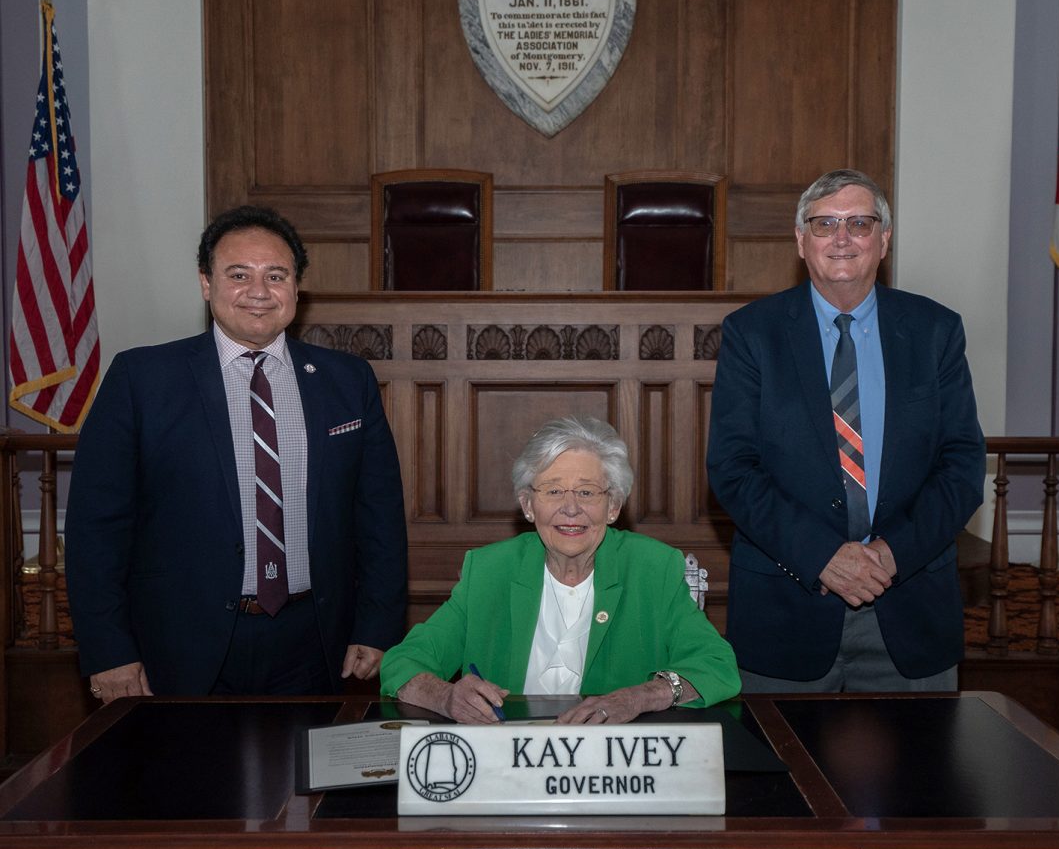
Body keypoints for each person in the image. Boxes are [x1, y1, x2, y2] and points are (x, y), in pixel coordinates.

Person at [67, 205, 408, 701]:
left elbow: (379, 516)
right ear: (206, 284)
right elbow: (95, 528)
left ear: (297, 286)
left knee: (306, 780)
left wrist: (377, 624)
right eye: (238, 275)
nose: (258, 291)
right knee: (184, 779)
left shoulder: (346, 381)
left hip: (314, 643)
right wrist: (108, 650)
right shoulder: (141, 380)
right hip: (177, 645)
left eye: (276, 275)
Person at [706, 169, 986, 692]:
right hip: (787, 611)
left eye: (859, 223)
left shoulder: (935, 331)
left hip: (910, 610)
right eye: (824, 224)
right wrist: (824, 558)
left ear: (883, 240)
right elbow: (733, 469)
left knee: (923, 774)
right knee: (780, 773)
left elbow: (962, 466)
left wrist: (890, 554)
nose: (841, 238)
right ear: (800, 240)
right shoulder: (752, 333)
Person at [380, 416, 740, 723]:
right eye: (553, 492)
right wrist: (447, 697)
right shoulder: (490, 570)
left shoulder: (653, 568)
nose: (570, 509)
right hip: (509, 764)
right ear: (528, 505)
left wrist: (638, 698)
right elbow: (402, 664)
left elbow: (716, 666)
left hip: (616, 766)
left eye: (587, 493)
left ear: (613, 506)